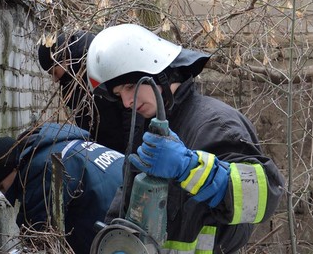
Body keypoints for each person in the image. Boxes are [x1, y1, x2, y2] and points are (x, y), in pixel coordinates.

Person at [86, 23, 285, 254]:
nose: (127, 102)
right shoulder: (150, 129)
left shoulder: (216, 124)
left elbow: (265, 198)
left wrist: (189, 167)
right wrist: (116, 237)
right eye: (120, 95)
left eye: (131, 86)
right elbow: (129, 196)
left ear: (159, 73)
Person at [0, 122, 124, 254]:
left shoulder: (40, 168)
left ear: (10, 168)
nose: (5, 193)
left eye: (1, 187)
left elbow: (37, 234)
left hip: (117, 223)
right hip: (130, 195)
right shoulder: (56, 141)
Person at [38, 30, 144, 154]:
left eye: (54, 72)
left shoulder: (99, 67)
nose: (55, 79)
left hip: (124, 149)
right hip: (101, 153)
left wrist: (131, 156)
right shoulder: (69, 83)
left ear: (64, 59)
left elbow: (132, 115)